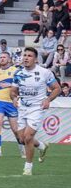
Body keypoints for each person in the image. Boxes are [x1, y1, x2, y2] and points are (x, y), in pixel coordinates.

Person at [14, 46, 59, 176]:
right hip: (22, 107)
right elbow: (13, 91)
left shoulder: (44, 72)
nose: (26, 58)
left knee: (28, 137)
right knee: (22, 139)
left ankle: (28, 167)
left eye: (29, 56)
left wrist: (48, 99)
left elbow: (57, 88)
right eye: (25, 55)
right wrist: (13, 98)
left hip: (37, 108)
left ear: (35, 59)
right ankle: (41, 146)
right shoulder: (18, 73)